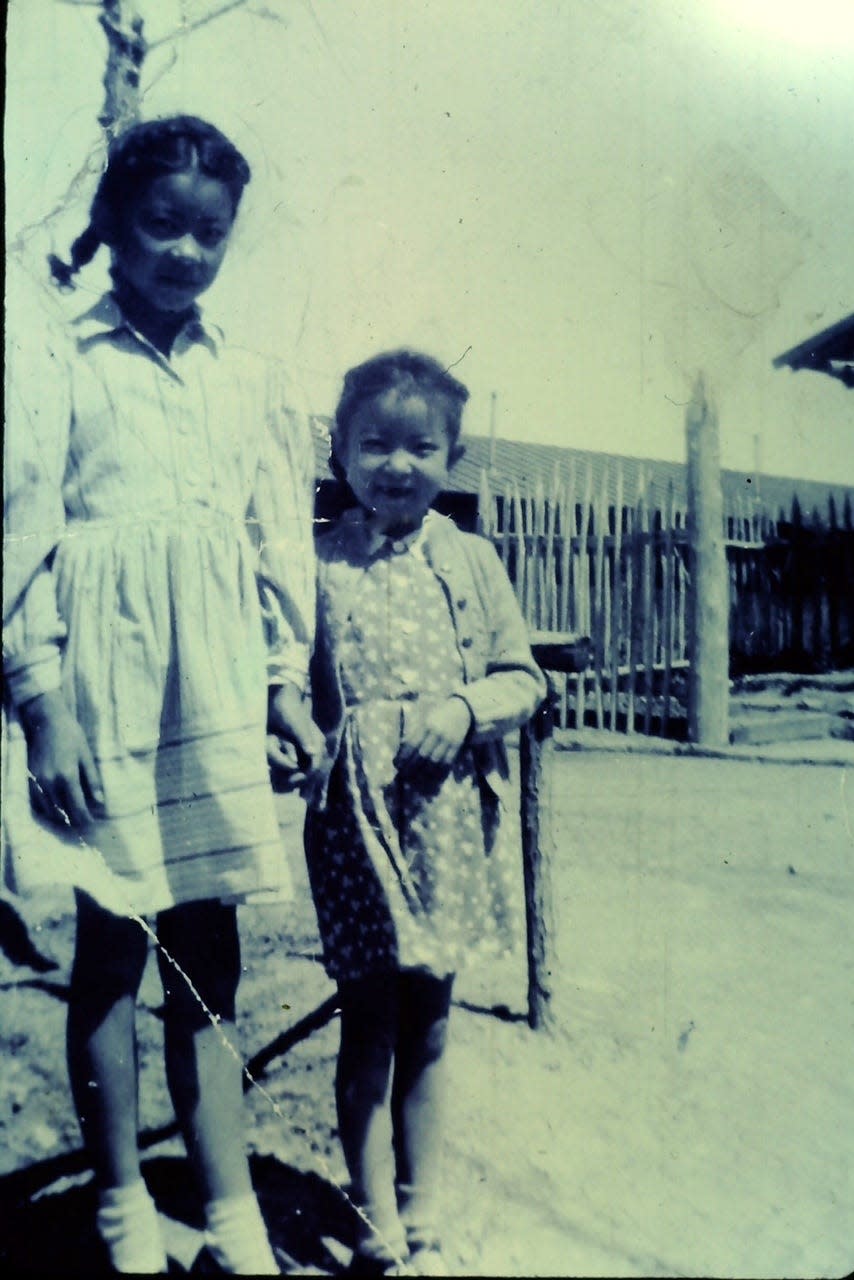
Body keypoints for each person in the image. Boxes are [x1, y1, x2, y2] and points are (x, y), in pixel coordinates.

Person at [2, 116, 323, 1274]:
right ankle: (122, 1201)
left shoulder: (247, 374)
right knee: (111, 944)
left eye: (210, 232)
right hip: (104, 687)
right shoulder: (59, 359)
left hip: (216, 692)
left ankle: (230, 1206)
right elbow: (23, 531)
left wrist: (285, 684)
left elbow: (276, 540)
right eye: (160, 225)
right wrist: (43, 700)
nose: (185, 251)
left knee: (210, 951)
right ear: (112, 226)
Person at [305, 351, 546, 1275]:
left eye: (420, 447)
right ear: (342, 452)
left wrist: (463, 709)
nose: (396, 466)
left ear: (451, 456)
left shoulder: (472, 558)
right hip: (353, 819)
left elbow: (521, 677)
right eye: (375, 445)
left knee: (433, 1020)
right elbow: (289, 674)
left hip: (444, 816)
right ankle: (375, 1221)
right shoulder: (319, 558)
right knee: (366, 1019)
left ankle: (425, 1209)